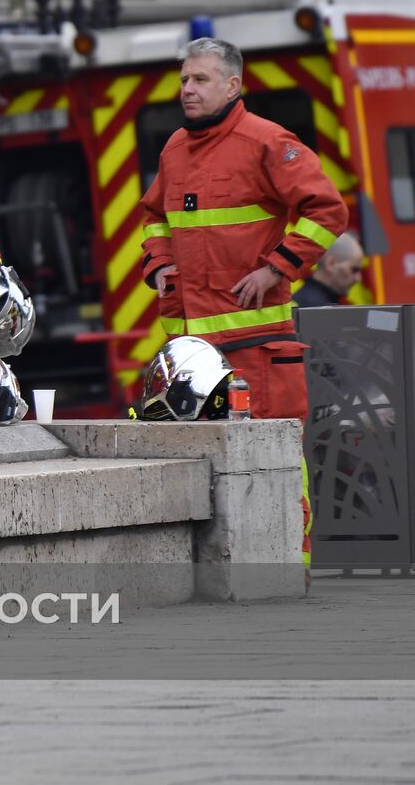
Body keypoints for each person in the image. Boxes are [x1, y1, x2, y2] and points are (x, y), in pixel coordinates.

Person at [140, 36, 347, 570]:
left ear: (233, 85)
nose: (187, 89)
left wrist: (277, 266)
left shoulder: (268, 141)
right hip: (192, 350)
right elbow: (154, 218)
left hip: (258, 346)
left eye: (200, 79)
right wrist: (158, 262)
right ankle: (223, 570)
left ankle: (290, 567)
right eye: (184, 79)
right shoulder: (174, 150)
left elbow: (326, 211)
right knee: (205, 469)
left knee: (278, 463)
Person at [294, 232, 363, 308]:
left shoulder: (306, 303)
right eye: (354, 269)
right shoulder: (310, 308)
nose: (358, 278)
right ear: (330, 264)